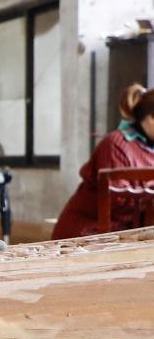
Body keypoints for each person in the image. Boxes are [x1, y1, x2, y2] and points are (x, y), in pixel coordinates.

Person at [53, 83, 154, 239]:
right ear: (151, 119)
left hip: (127, 234)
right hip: (87, 234)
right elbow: (117, 202)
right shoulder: (116, 144)